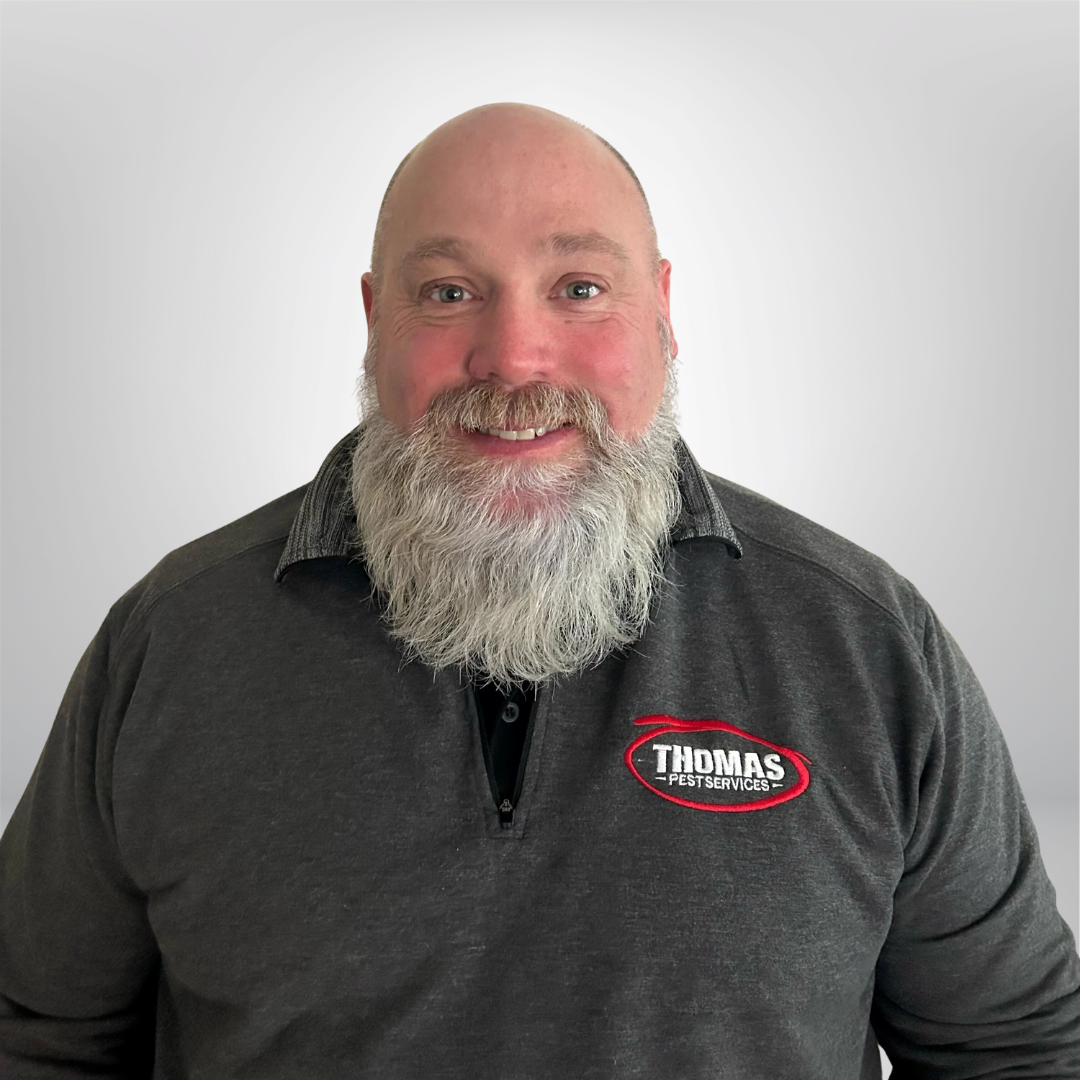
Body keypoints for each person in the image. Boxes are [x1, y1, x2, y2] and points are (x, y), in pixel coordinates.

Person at [1, 102, 1077, 1079]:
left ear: (662, 310)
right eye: (449, 293)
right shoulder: (173, 640)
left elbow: (1014, 1052)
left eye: (579, 289)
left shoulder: (865, 643)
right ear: (375, 319)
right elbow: (33, 1037)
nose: (515, 358)